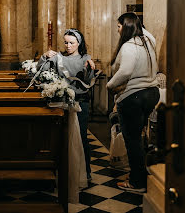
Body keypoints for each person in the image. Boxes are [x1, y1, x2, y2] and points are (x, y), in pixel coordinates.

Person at [37, 28, 96, 202]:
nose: (68, 46)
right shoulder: (58, 58)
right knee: (62, 138)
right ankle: (60, 171)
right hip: (61, 102)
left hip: (81, 102)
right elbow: (40, 71)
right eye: (66, 42)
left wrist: (90, 69)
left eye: (72, 43)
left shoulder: (86, 58)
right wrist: (44, 56)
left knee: (82, 137)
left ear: (79, 43)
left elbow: (88, 79)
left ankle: (86, 172)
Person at [106, 12, 160, 193]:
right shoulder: (148, 41)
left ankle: (138, 182)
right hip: (151, 93)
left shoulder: (129, 46)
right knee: (139, 138)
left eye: (119, 27)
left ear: (127, 27)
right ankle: (140, 175)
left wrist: (110, 85)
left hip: (134, 96)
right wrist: (136, 23)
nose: (118, 31)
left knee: (133, 140)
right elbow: (147, 32)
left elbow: (125, 72)